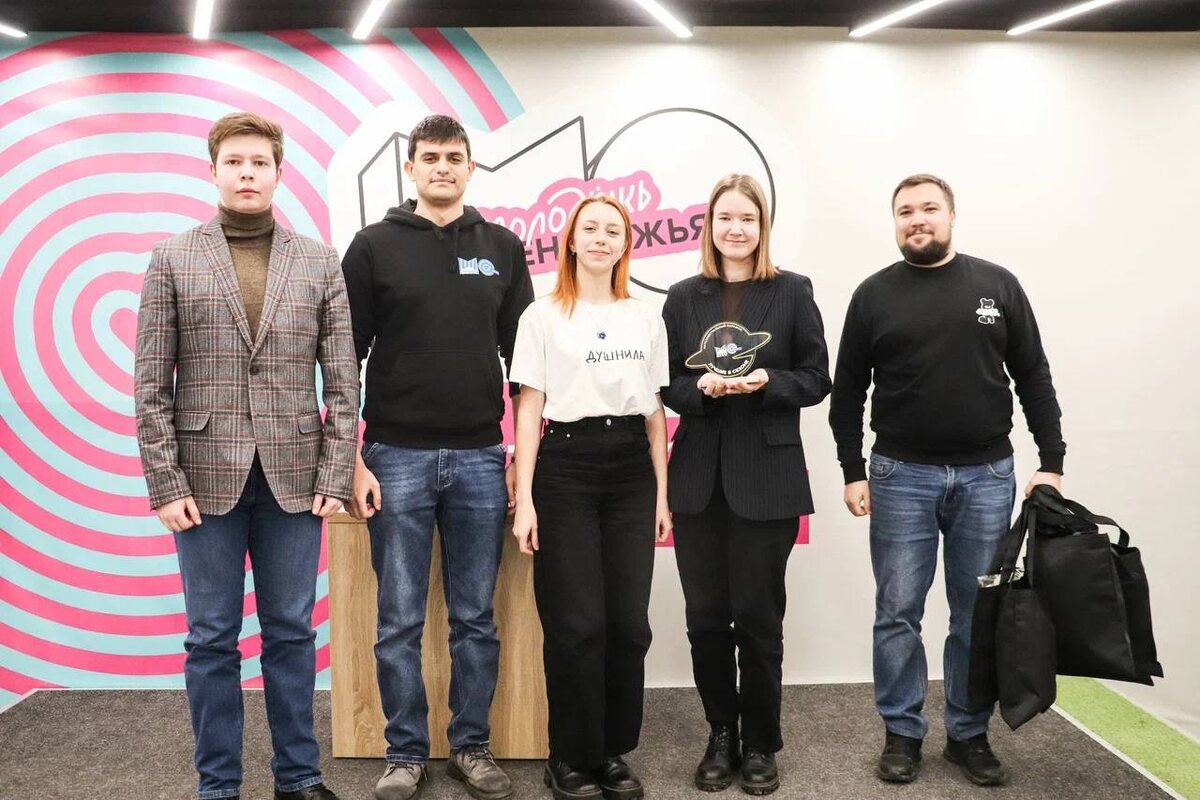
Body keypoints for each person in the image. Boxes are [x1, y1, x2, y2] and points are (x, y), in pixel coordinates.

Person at [135, 111, 357, 800]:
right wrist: (165, 481)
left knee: (291, 632)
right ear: (213, 171)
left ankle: (299, 777)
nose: (247, 173)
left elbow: (343, 382)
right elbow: (150, 385)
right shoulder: (173, 258)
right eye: (234, 162)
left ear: (279, 172)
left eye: (259, 162)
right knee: (211, 638)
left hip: (297, 479)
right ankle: (218, 785)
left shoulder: (319, 261)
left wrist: (336, 471)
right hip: (202, 483)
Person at [828, 174, 1066, 787]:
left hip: (988, 476)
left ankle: (967, 733)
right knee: (897, 611)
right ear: (895, 222)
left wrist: (1052, 460)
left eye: (929, 208)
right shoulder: (873, 295)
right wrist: (852, 469)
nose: (917, 219)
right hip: (899, 475)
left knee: (976, 613)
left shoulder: (997, 285)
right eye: (905, 211)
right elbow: (847, 390)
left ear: (951, 216)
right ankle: (902, 733)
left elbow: (1033, 375)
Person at [341, 114, 534, 800]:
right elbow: (343, 358)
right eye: (430, 157)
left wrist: (519, 461)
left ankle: (471, 747)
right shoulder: (372, 247)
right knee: (398, 619)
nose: (443, 167)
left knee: (475, 618)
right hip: (394, 455)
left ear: (471, 167)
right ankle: (404, 752)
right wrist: (352, 459)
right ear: (411, 167)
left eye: (454, 157)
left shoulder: (502, 247)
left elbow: (525, 365)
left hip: (482, 456)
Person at [661, 174, 831, 796]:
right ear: (708, 225)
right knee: (706, 619)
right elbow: (665, 384)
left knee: (759, 619)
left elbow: (816, 377)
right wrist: (700, 391)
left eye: (747, 219)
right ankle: (720, 735)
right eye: (725, 218)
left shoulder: (791, 290)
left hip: (767, 477)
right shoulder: (683, 297)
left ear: (764, 227)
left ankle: (760, 742)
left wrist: (767, 382)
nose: (736, 229)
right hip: (697, 480)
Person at [508, 195, 671, 800]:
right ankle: (569, 756)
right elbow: (529, 410)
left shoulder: (645, 317)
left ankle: (611, 752)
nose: (601, 238)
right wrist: (526, 499)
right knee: (576, 624)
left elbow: (655, 413)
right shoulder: (541, 316)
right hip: (566, 469)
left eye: (613, 230)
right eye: (590, 229)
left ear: (626, 244)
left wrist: (661, 495)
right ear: (571, 242)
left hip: (631, 470)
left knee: (628, 625)